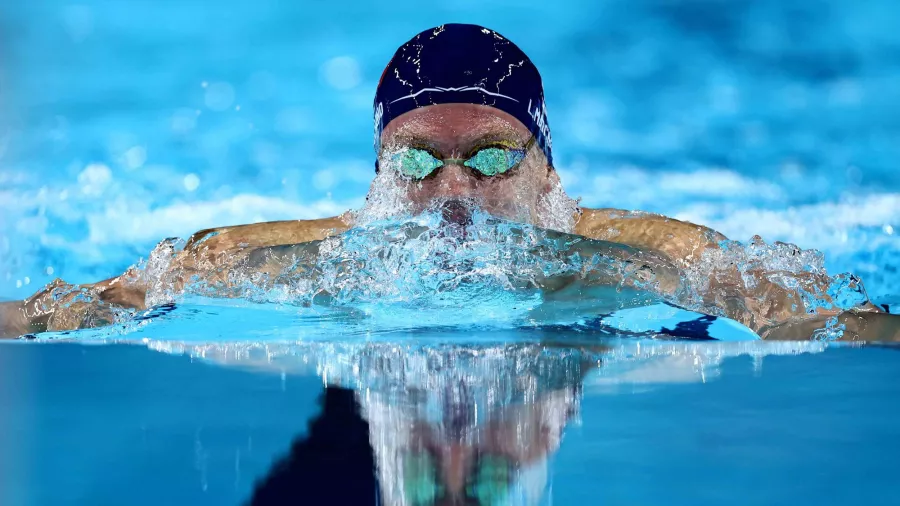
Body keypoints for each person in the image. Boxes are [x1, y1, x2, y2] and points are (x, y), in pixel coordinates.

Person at [0, 23, 896, 341]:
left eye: (495, 156)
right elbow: (80, 306)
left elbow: (798, 313)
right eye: (419, 161)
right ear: (380, 182)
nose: (454, 193)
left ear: (549, 172)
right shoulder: (257, 260)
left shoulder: (654, 257)